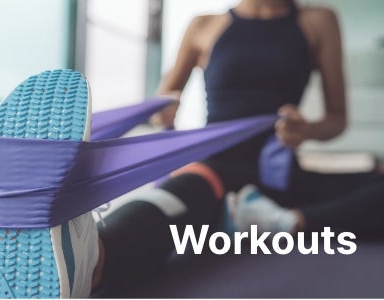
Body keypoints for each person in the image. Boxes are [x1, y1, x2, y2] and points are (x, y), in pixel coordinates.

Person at [90, 0, 384, 292]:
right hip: (215, 167)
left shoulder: (318, 20)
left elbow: (337, 119)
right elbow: (161, 105)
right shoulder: (204, 25)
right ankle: (91, 258)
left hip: (279, 177)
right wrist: (163, 113)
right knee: (173, 200)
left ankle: (283, 222)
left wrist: (305, 130)